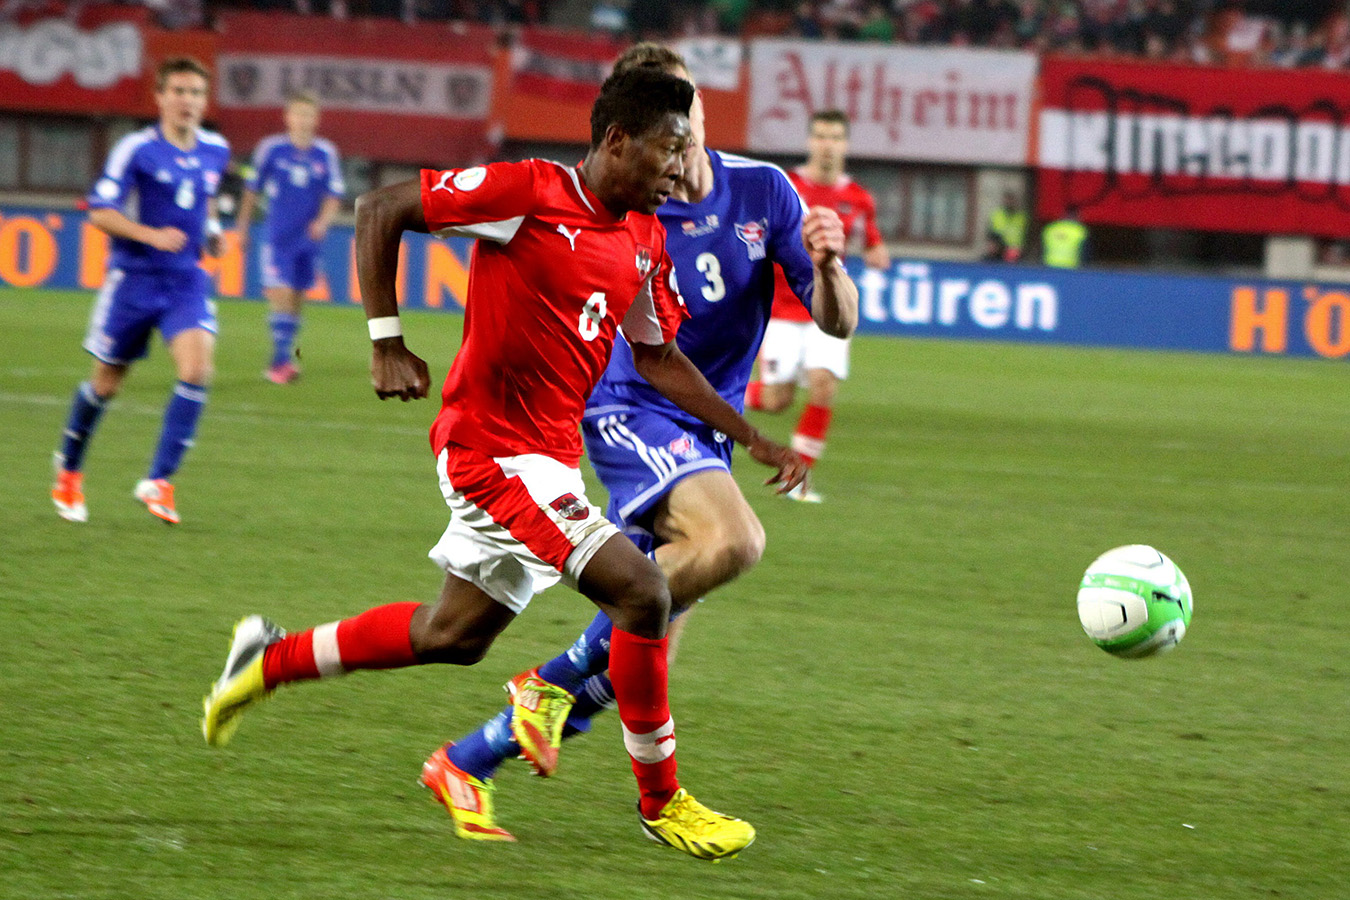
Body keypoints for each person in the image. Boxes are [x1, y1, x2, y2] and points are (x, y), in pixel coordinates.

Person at [199, 67, 808, 861]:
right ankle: (661, 800)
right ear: (618, 141)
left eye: (685, 151)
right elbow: (382, 207)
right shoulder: (527, 192)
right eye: (668, 149)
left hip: (548, 462)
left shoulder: (642, 235)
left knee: (452, 634)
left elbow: (657, 358)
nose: (678, 169)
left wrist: (749, 433)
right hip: (490, 452)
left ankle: (268, 657)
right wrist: (387, 341)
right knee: (644, 591)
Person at [425, 42, 858, 843]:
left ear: (699, 109)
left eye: (687, 105)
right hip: (632, 405)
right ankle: (566, 708)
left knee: (640, 638)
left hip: (709, 431)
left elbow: (836, 319)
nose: (680, 129)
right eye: (665, 114)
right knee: (734, 540)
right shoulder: (636, 199)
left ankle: (466, 760)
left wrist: (828, 267)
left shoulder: (764, 190)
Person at [50, 56, 230, 526]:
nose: (187, 101)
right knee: (106, 384)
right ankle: (68, 470)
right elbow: (99, 211)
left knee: (198, 369)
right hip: (134, 281)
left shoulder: (216, 149)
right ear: (160, 97)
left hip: (186, 279)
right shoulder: (137, 149)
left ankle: (159, 481)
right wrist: (151, 235)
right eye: (178, 92)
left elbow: (206, 198)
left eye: (195, 93)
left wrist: (210, 230)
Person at [743, 109, 889, 503]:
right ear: (811, 142)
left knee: (824, 385)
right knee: (776, 401)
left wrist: (877, 252)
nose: (828, 144)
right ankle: (722, 393)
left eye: (836, 137)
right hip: (781, 308)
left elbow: (872, 241)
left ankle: (798, 481)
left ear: (845, 144)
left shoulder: (858, 197)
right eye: (821, 136)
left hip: (827, 306)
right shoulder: (785, 186)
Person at [234, 91, 344, 384]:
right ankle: (280, 363)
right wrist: (242, 228)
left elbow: (334, 195)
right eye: (298, 114)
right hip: (277, 237)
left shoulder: (325, 153)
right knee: (280, 293)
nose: (303, 120)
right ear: (287, 117)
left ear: (316, 119)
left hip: (308, 240)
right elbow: (251, 189)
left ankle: (281, 356)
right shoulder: (271, 149)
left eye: (309, 114)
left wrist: (322, 222)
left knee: (295, 298)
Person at [985, 190, 1027, 262]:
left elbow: (1027, 236)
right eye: (1007, 201)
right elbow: (990, 235)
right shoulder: (996, 216)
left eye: (1011, 201)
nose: (1009, 203)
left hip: (1017, 254)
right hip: (998, 253)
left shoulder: (1022, 217)